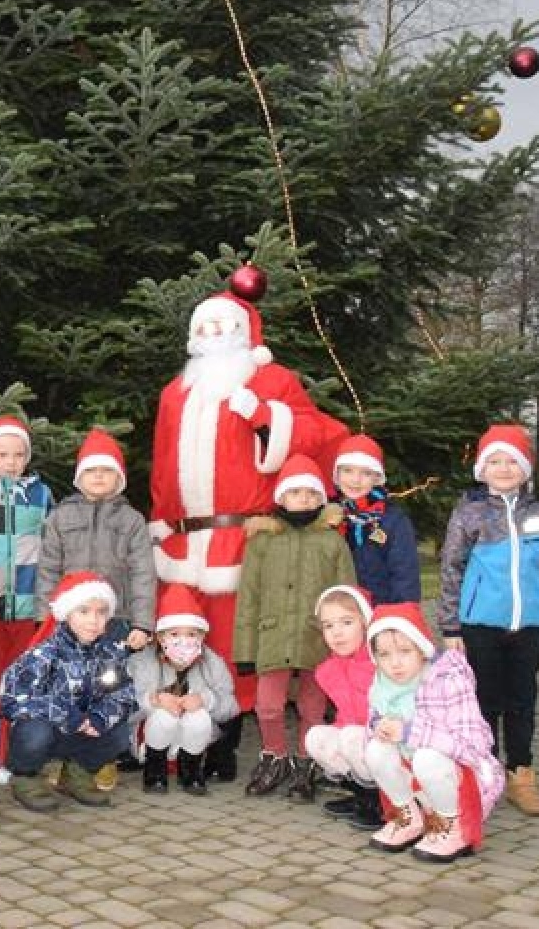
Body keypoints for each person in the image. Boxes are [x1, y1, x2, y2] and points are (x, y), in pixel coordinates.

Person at [149, 290, 349, 780]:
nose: (212, 333)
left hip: (241, 537)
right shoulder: (176, 391)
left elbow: (312, 434)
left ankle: (227, 740)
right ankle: (176, 735)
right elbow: (161, 462)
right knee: (184, 636)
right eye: (204, 325)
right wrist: (159, 518)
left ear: (241, 331)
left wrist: (264, 416)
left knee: (235, 640)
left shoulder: (273, 379)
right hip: (182, 539)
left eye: (222, 325)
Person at [436, 424, 539, 816]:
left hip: (529, 625)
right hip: (480, 624)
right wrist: (451, 625)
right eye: (495, 461)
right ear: (482, 469)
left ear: (525, 469)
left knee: (522, 700)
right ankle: (482, 773)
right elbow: (451, 568)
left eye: (512, 461)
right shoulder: (469, 514)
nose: (504, 469)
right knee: (484, 700)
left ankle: (521, 775)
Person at [234, 453, 357, 800]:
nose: (303, 499)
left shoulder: (332, 541)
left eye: (310, 493)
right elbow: (249, 597)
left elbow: (346, 595)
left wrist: (345, 644)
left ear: (321, 499)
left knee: (311, 708)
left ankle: (307, 761)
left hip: (317, 639)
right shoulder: (262, 541)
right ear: (281, 497)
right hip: (272, 636)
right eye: (295, 492)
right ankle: (275, 756)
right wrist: (245, 651)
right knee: (268, 706)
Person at [362, 602, 504, 862]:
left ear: (422, 648)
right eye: (384, 655)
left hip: (463, 781)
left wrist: (408, 733)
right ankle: (408, 817)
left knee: (427, 757)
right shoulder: (381, 685)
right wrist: (377, 727)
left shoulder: (448, 680)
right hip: (419, 779)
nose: (395, 663)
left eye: (405, 651)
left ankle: (452, 826)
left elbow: (472, 747)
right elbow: (372, 719)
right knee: (374, 749)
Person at [0, 572, 139, 813]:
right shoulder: (44, 653)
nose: (93, 620)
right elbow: (14, 697)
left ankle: (77, 772)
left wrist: (100, 717)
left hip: (83, 731)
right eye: (83, 611)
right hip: (50, 730)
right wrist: (68, 715)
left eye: (101, 612)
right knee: (34, 732)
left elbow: (124, 695)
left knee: (119, 733)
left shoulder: (110, 654)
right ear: (67, 614)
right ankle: (26, 776)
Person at [0, 416, 53, 783]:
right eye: (2, 454)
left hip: (25, 601)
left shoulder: (40, 494)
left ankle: (18, 743)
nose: (11, 461)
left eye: (19, 454)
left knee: (22, 674)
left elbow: (52, 546)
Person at [37, 428, 156, 644]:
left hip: (117, 618)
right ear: (80, 477)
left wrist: (143, 623)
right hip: (70, 616)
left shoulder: (132, 520)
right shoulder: (60, 517)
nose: (99, 475)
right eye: (91, 470)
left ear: (119, 478)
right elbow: (48, 569)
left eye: (107, 470)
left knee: (112, 675)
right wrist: (45, 617)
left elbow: (143, 574)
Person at [126, 583, 238, 795]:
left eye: (191, 634)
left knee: (200, 716)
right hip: (151, 735)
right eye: (174, 634)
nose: (183, 641)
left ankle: (191, 772)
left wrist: (207, 700)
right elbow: (123, 709)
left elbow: (231, 708)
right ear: (160, 637)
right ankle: (154, 772)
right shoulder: (141, 662)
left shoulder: (213, 663)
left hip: (192, 738)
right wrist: (153, 700)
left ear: (202, 636)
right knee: (164, 715)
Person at [305, 584, 382, 830]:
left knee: (351, 737)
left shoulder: (380, 663)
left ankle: (382, 802)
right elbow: (345, 715)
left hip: (393, 742)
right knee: (317, 737)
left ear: (365, 623)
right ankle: (361, 794)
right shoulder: (329, 670)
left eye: (346, 623)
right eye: (329, 626)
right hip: (359, 738)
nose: (337, 633)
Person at [332, 434, 420, 603]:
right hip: (339, 613)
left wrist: (401, 614)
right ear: (337, 474)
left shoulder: (393, 520)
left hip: (380, 609)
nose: (355, 480)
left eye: (365, 473)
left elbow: (405, 573)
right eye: (348, 471)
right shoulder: (330, 518)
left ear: (377, 478)